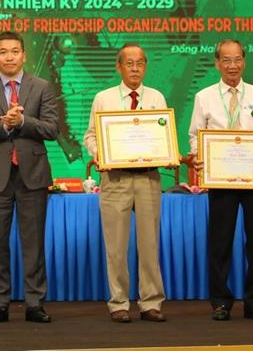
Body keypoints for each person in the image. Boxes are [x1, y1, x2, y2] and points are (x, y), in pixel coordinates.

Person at [0, 31, 58, 324]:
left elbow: (52, 129)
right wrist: (4, 127)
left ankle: (35, 303)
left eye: (15, 51)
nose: (9, 57)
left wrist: (22, 122)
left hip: (32, 175)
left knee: (34, 244)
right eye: (3, 52)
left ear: (24, 55)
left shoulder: (42, 87)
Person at [188, 39, 253, 321]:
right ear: (217, 63)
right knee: (220, 243)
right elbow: (195, 136)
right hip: (221, 179)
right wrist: (199, 156)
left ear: (244, 62)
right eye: (226, 60)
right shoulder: (204, 97)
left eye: (237, 59)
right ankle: (220, 302)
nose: (232, 65)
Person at [83, 43, 168, 323]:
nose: (135, 69)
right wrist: (100, 154)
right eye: (129, 63)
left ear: (145, 67)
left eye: (140, 63)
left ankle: (151, 302)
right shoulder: (104, 98)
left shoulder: (156, 97)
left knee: (150, 244)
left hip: (148, 178)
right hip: (115, 178)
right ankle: (118, 302)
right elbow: (90, 136)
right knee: (116, 246)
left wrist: (167, 152)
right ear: (118, 67)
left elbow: (164, 136)